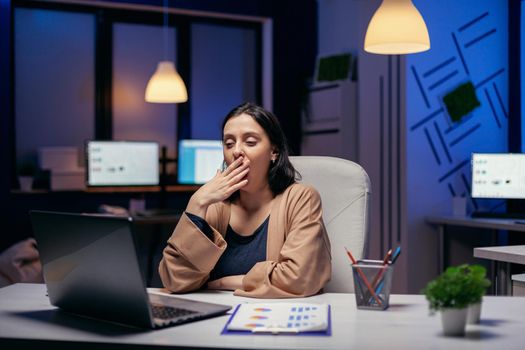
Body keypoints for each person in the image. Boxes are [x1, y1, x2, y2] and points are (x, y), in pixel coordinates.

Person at [159, 102, 331, 298]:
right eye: (229, 143)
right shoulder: (215, 207)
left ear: (273, 151)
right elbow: (174, 279)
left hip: (275, 319)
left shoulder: (301, 198)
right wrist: (196, 203)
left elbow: (298, 278)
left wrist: (226, 282)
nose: (236, 151)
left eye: (250, 142)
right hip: (214, 319)